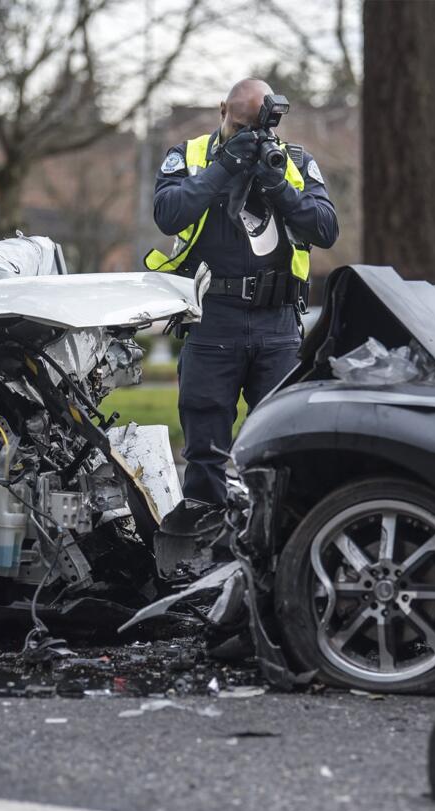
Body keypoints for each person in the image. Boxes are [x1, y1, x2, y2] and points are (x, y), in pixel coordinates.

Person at [147, 78, 339, 506]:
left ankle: (271, 545)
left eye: (258, 128)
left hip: (278, 324)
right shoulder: (189, 155)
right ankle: (203, 547)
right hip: (214, 319)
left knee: (280, 445)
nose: (250, 137)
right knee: (205, 452)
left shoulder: (292, 161)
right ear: (221, 111)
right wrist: (224, 166)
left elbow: (326, 229)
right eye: (239, 126)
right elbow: (168, 213)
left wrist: (277, 185)